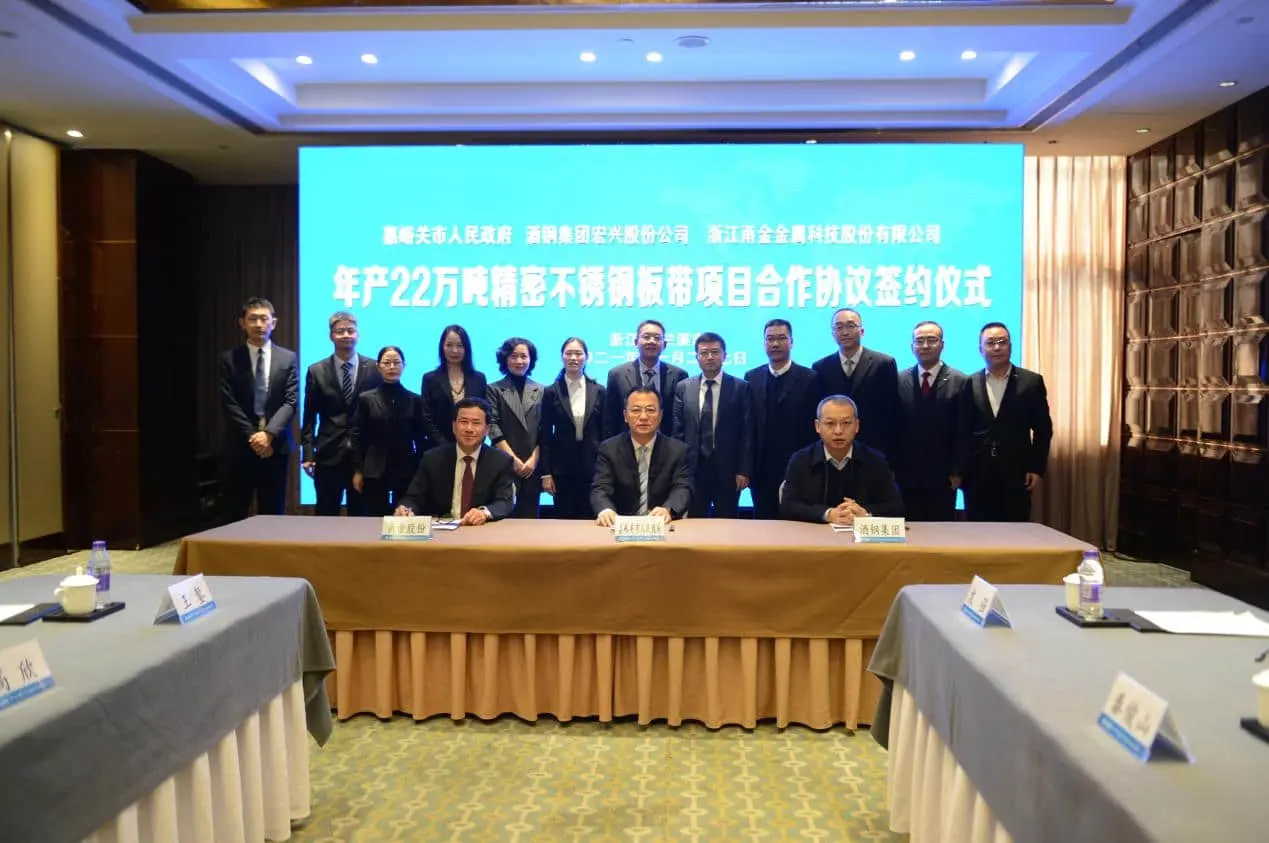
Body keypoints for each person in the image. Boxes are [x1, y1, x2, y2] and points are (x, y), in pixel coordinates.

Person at [954, 323, 1053, 522]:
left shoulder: (1031, 382)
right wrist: (959, 471)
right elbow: (961, 430)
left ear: (1010, 346)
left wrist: (1036, 468)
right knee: (977, 531)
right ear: (980, 349)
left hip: (1017, 473)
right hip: (977, 475)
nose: (997, 347)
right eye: (990, 343)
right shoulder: (969, 383)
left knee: (1015, 530)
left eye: (1002, 342)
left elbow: (1043, 429)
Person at [217, 297, 298, 521]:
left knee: (273, 513)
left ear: (274, 323)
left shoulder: (288, 358)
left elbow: (291, 401)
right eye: (253, 319)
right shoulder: (229, 359)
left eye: (264, 319)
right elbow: (229, 402)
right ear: (242, 323)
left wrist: (269, 434)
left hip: (275, 446)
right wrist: (254, 437)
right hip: (240, 445)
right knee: (234, 512)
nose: (259, 324)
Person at [300, 311, 382, 516]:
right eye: (340, 331)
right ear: (331, 336)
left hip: (363, 455)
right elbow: (309, 417)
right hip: (328, 453)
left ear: (358, 334)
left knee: (361, 516)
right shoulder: (316, 370)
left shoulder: (374, 368)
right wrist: (307, 454)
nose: (346, 335)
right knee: (326, 514)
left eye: (350, 331)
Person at [780, 395, 904, 525]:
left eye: (846, 423)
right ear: (817, 426)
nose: (838, 431)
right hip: (814, 535)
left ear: (857, 426)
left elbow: (896, 506)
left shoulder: (875, 460)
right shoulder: (801, 460)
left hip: (860, 536)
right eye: (830, 423)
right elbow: (787, 506)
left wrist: (865, 514)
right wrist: (827, 514)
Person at [744, 319, 820, 519]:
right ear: (764, 343)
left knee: (797, 522)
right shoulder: (752, 377)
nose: (775, 344)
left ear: (791, 342)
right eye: (770, 339)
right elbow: (748, 427)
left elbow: (814, 428)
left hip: (799, 466)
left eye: (781, 338)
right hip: (761, 469)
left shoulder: (810, 378)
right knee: (763, 524)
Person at [395, 398, 515, 525]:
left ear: (487, 429)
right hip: (441, 530)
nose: (469, 429)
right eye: (463, 422)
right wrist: (406, 509)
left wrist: (484, 513)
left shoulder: (501, 461)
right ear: (454, 426)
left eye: (476, 423)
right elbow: (413, 498)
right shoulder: (432, 459)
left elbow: (505, 502)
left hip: (480, 529)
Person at [672, 332, 752, 518]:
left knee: (728, 522)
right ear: (696, 357)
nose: (710, 357)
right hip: (693, 470)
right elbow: (678, 431)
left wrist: (744, 470)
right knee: (693, 521)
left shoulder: (741, 387)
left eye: (715, 352)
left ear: (725, 355)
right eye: (704, 353)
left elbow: (747, 432)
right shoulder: (684, 387)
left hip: (728, 470)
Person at [894, 321, 969, 521]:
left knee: (940, 529)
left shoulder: (961, 381)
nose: (925, 345)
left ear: (942, 344)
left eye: (932, 340)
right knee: (906, 528)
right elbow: (893, 428)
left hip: (943, 475)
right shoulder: (898, 380)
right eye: (920, 341)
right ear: (912, 346)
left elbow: (963, 431)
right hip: (905, 473)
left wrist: (957, 471)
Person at [592, 388, 692, 525]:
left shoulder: (678, 450)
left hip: (661, 525)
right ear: (625, 416)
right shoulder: (609, 449)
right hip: (620, 526)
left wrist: (668, 509)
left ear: (660, 416)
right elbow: (600, 488)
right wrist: (605, 509)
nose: (643, 417)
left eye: (650, 410)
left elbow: (683, 488)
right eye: (636, 410)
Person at [811, 308, 901, 461]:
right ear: (833, 333)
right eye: (839, 327)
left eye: (850, 326)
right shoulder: (821, 367)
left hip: (874, 449)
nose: (845, 332)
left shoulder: (884, 364)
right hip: (833, 450)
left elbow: (892, 413)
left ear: (862, 331)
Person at [351, 347, 426, 516]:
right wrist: (358, 470)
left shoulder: (414, 400)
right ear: (378, 366)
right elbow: (357, 437)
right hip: (374, 469)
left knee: (404, 517)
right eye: (387, 363)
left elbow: (420, 438)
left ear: (404, 366)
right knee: (375, 517)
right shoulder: (366, 399)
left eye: (396, 362)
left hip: (406, 467)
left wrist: (421, 470)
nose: (392, 367)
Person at [539, 337, 606, 519]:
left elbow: (606, 432)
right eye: (569, 353)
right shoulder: (551, 391)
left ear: (587, 357)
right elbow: (544, 435)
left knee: (591, 519)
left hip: (593, 467)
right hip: (562, 469)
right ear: (562, 357)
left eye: (578, 353)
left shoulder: (599, 390)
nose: (574, 358)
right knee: (564, 519)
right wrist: (546, 473)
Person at [487, 337, 544, 518]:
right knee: (503, 518)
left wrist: (534, 460)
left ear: (531, 360)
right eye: (513, 356)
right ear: (505, 359)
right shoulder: (493, 389)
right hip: (504, 462)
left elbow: (544, 429)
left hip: (532, 465)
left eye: (524, 356)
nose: (519, 361)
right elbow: (492, 426)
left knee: (530, 519)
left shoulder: (541, 390)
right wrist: (513, 459)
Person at [603, 319, 687, 438]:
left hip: (667, 445)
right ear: (636, 342)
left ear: (665, 344)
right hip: (627, 444)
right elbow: (610, 419)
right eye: (646, 337)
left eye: (657, 338)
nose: (652, 341)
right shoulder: (617, 374)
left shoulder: (679, 375)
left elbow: (679, 419)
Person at [420, 324, 488, 446]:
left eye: (460, 345)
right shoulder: (430, 379)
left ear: (467, 348)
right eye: (449, 345)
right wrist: (444, 446)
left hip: (473, 447)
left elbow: (486, 414)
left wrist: (474, 442)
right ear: (442, 347)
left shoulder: (479, 378)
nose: (454, 351)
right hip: (439, 448)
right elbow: (426, 417)